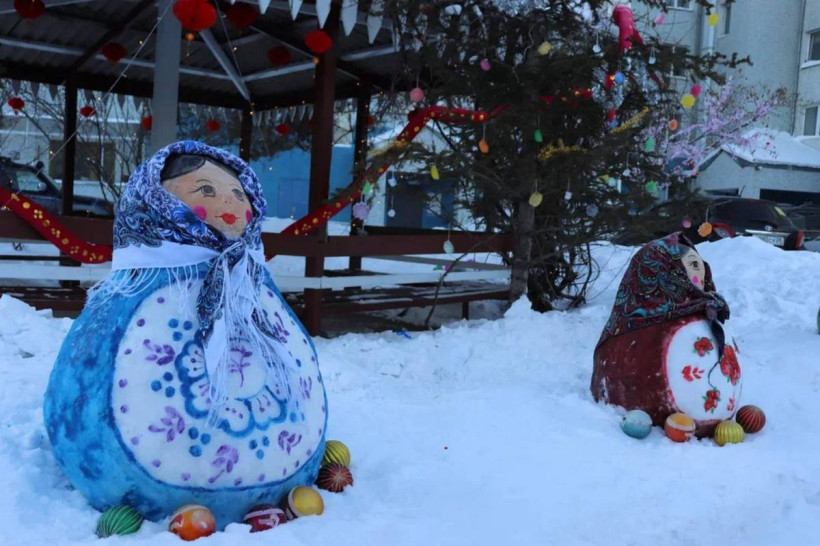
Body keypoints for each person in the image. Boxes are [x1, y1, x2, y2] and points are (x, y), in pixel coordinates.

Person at [44, 141, 327, 528]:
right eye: (205, 190)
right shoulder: (143, 276)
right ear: (157, 201)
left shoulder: (247, 274)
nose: (228, 203)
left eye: (237, 193)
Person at [590, 228, 742, 436]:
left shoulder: (710, 310)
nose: (701, 273)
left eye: (700, 265)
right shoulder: (632, 328)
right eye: (692, 265)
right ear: (665, 270)